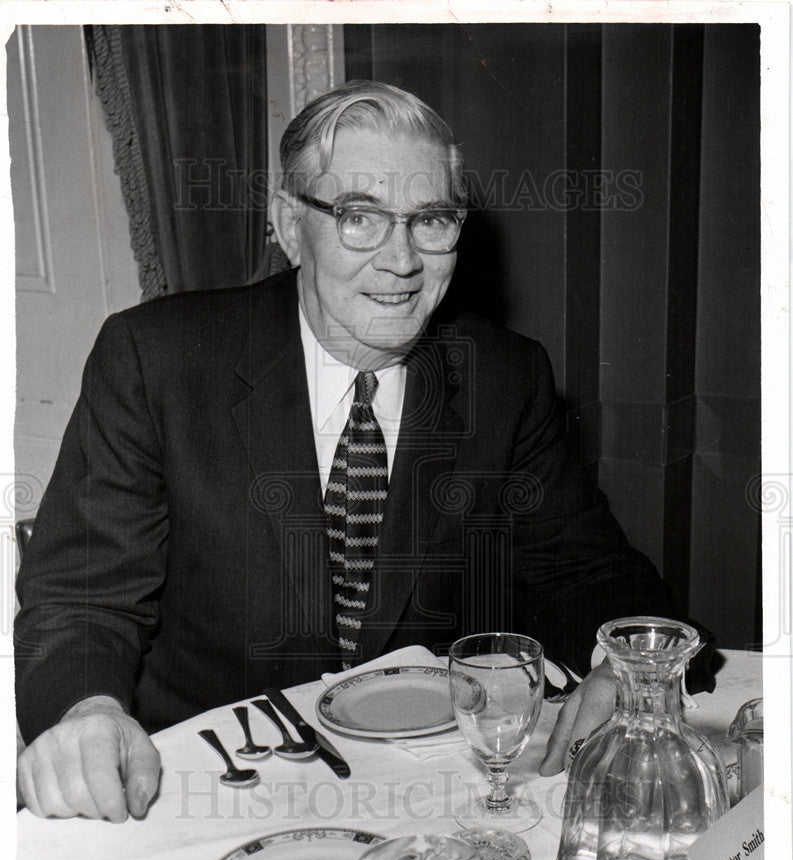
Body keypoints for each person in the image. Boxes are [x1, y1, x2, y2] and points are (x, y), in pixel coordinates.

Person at [14, 80, 711, 822]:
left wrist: (629, 670)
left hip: (428, 787)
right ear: (287, 223)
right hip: (210, 782)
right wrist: (88, 709)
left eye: (431, 220)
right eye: (358, 217)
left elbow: (585, 568)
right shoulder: (156, 359)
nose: (401, 261)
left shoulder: (504, 375)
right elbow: (82, 599)